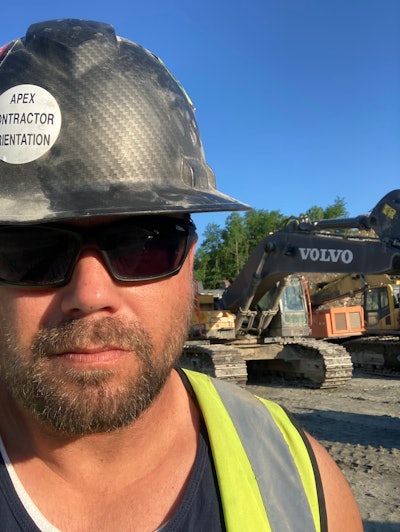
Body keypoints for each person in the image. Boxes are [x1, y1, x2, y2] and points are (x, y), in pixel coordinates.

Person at [0, 19, 362, 531]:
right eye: (29, 251)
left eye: (144, 245)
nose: (90, 293)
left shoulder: (301, 485)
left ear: (190, 260)